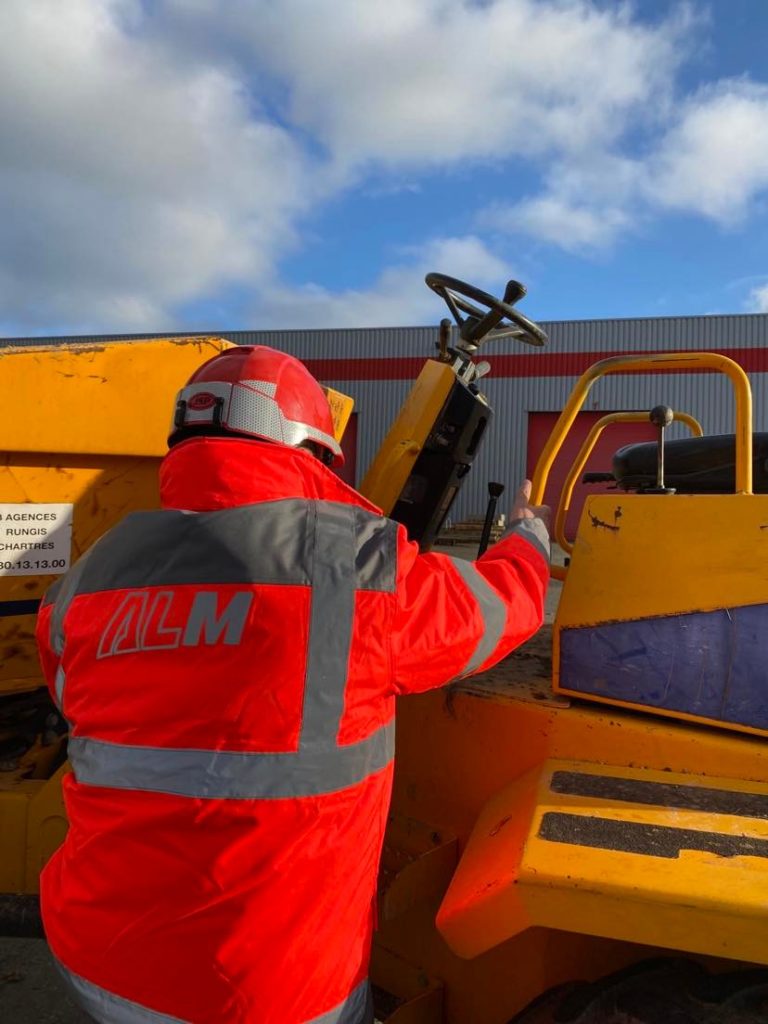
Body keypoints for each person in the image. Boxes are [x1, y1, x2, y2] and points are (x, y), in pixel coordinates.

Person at [35, 345, 550, 1024]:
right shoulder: (353, 568)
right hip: (272, 992)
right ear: (311, 450)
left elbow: (82, 700)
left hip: (96, 960)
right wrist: (530, 542)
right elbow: (498, 610)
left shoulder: (88, 580)